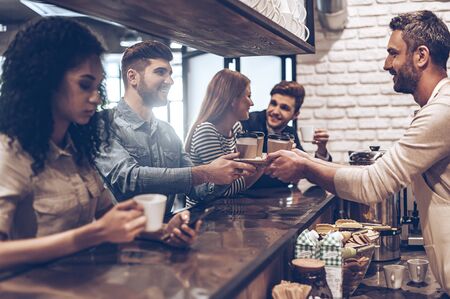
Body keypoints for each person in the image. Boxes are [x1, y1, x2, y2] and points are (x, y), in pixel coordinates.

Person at [266, 10, 450, 294]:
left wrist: (304, 167)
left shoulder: (442, 111)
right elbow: (373, 174)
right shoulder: (436, 107)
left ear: (421, 56)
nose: (387, 64)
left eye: (393, 53)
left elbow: (372, 184)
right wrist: (304, 157)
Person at [0, 18, 199, 270]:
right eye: (85, 85)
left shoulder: (77, 149)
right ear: (44, 82)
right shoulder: (10, 152)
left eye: (98, 86)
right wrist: (93, 234)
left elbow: (108, 218)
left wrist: (163, 231)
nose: (96, 98)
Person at [95, 41, 255, 211]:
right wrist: (206, 172)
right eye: (160, 72)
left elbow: (198, 192)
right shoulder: (103, 123)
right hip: (122, 235)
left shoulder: (167, 131)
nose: (170, 81)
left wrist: (225, 176)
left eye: (170, 73)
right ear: (132, 77)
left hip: (166, 232)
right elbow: (127, 179)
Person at [184, 69, 264, 204]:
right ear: (233, 100)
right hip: (202, 215)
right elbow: (224, 190)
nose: (252, 103)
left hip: (225, 209)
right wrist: (261, 168)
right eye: (248, 96)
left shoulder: (236, 127)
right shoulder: (206, 131)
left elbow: (236, 181)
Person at [240, 80, 331, 189]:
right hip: (246, 196)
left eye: (284, 108)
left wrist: (321, 149)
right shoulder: (247, 123)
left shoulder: (290, 132)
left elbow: (308, 170)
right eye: (273, 103)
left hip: (278, 197)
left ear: (295, 115)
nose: (275, 111)